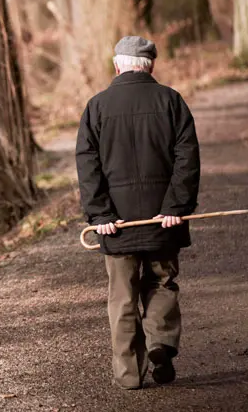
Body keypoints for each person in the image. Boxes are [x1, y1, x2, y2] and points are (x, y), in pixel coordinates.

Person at [75, 35, 201, 390]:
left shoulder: (96, 107)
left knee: (122, 297)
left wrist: (100, 215)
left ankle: (130, 375)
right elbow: (187, 160)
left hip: (116, 224)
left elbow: (88, 166)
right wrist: (176, 207)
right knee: (161, 282)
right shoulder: (171, 101)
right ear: (151, 66)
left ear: (116, 66)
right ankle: (160, 343)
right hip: (163, 221)